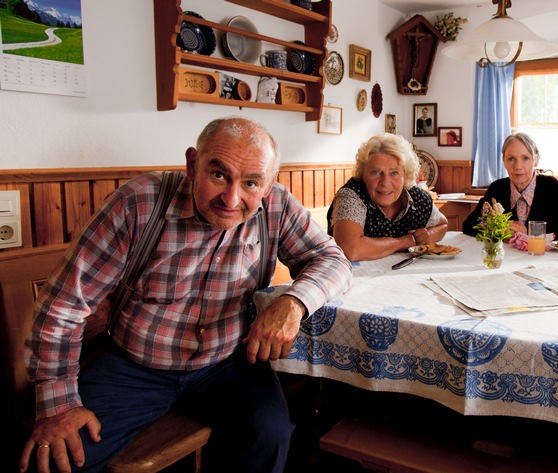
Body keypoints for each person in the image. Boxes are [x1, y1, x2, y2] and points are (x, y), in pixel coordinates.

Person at [19, 116, 352, 473]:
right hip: (134, 366)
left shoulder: (277, 207)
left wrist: (294, 303)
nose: (231, 198)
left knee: (270, 435)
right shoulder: (139, 203)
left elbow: (333, 260)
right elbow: (64, 305)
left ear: (268, 186)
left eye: (251, 183)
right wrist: (58, 405)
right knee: (57, 459)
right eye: (219, 175)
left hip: (228, 364)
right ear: (192, 165)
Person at [327, 132, 448, 261]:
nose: (385, 182)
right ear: (363, 174)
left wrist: (428, 235)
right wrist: (402, 242)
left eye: (394, 173)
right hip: (354, 276)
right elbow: (350, 249)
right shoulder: (351, 196)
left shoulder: (417, 196)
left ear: (405, 175)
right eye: (376, 172)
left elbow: (442, 225)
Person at [462, 132, 558, 239]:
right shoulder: (497, 188)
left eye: (525, 158)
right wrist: (500, 230)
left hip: (543, 255)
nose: (518, 166)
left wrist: (529, 232)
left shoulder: (551, 187)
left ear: (536, 161)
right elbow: (468, 226)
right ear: (504, 162)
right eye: (511, 159)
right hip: (507, 256)